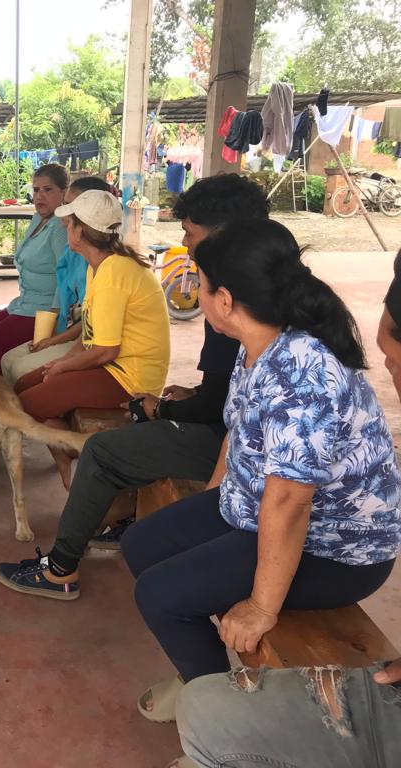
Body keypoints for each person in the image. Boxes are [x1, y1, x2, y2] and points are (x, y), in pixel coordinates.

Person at [120, 221, 400, 725]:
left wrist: (262, 607)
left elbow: (291, 501)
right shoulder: (260, 343)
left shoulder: (302, 377)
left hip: (333, 548)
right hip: (258, 507)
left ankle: (222, 722)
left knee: (161, 597)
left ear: (225, 300)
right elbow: (239, 428)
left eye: (201, 284)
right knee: (142, 545)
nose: (195, 293)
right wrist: (211, 503)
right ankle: (200, 676)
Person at [0, 175, 269, 600]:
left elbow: (108, 351)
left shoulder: (233, 302)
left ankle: (62, 565)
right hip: (228, 432)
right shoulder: (257, 290)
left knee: (97, 447)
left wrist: (160, 409)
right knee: (38, 391)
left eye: (189, 232)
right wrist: (192, 395)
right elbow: (232, 392)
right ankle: (101, 501)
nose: (183, 242)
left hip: (198, 422)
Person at [13, 190, 170, 431]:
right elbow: (90, 334)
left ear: (80, 232)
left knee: (26, 404)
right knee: (24, 386)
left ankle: (81, 449)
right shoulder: (98, 266)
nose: (65, 228)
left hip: (129, 378)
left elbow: (106, 351)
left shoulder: (112, 272)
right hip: (111, 367)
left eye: (70, 224)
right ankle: (72, 449)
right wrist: (63, 360)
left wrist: (64, 367)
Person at [0, 176, 114, 385]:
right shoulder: (74, 253)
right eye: (64, 204)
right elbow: (61, 297)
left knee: (20, 371)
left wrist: (56, 345)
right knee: (7, 360)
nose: (62, 213)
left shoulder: (103, 265)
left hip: (91, 346)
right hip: (71, 333)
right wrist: (49, 337)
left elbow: (93, 336)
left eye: (69, 206)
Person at [0, 163, 70, 373]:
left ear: (63, 192)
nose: (39, 196)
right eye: (36, 190)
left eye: (47, 190)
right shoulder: (39, 218)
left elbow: (65, 278)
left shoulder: (60, 227)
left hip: (45, 310)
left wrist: (55, 321)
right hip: (24, 302)